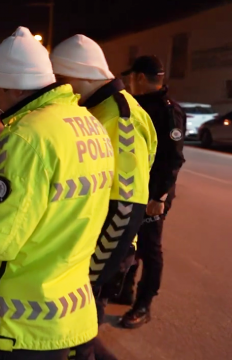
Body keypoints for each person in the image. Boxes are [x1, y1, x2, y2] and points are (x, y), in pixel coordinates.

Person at [0, 27, 114, 360]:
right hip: (70, 317)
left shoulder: (26, 139)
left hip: (18, 328)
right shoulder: (89, 125)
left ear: (14, 86)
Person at [51, 34, 159, 360]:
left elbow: (126, 208)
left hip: (100, 255)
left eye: (62, 79)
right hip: (89, 253)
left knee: (76, 344)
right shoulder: (101, 109)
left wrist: (91, 274)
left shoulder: (120, 117)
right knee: (77, 343)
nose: (59, 87)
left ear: (82, 75)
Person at [117, 56, 186, 329]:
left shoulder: (168, 111)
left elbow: (174, 159)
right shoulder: (137, 106)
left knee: (150, 248)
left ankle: (144, 304)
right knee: (129, 242)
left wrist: (159, 198)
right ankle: (126, 290)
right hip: (132, 191)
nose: (130, 82)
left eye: (132, 78)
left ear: (141, 78)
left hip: (152, 197)